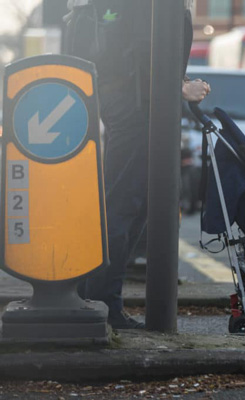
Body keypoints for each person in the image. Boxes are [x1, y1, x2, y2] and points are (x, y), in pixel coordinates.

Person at [65, 0, 210, 329]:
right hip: (136, 107)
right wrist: (179, 86)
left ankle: (94, 294)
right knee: (124, 202)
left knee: (134, 201)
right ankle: (103, 302)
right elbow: (144, 52)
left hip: (129, 103)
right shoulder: (153, 5)